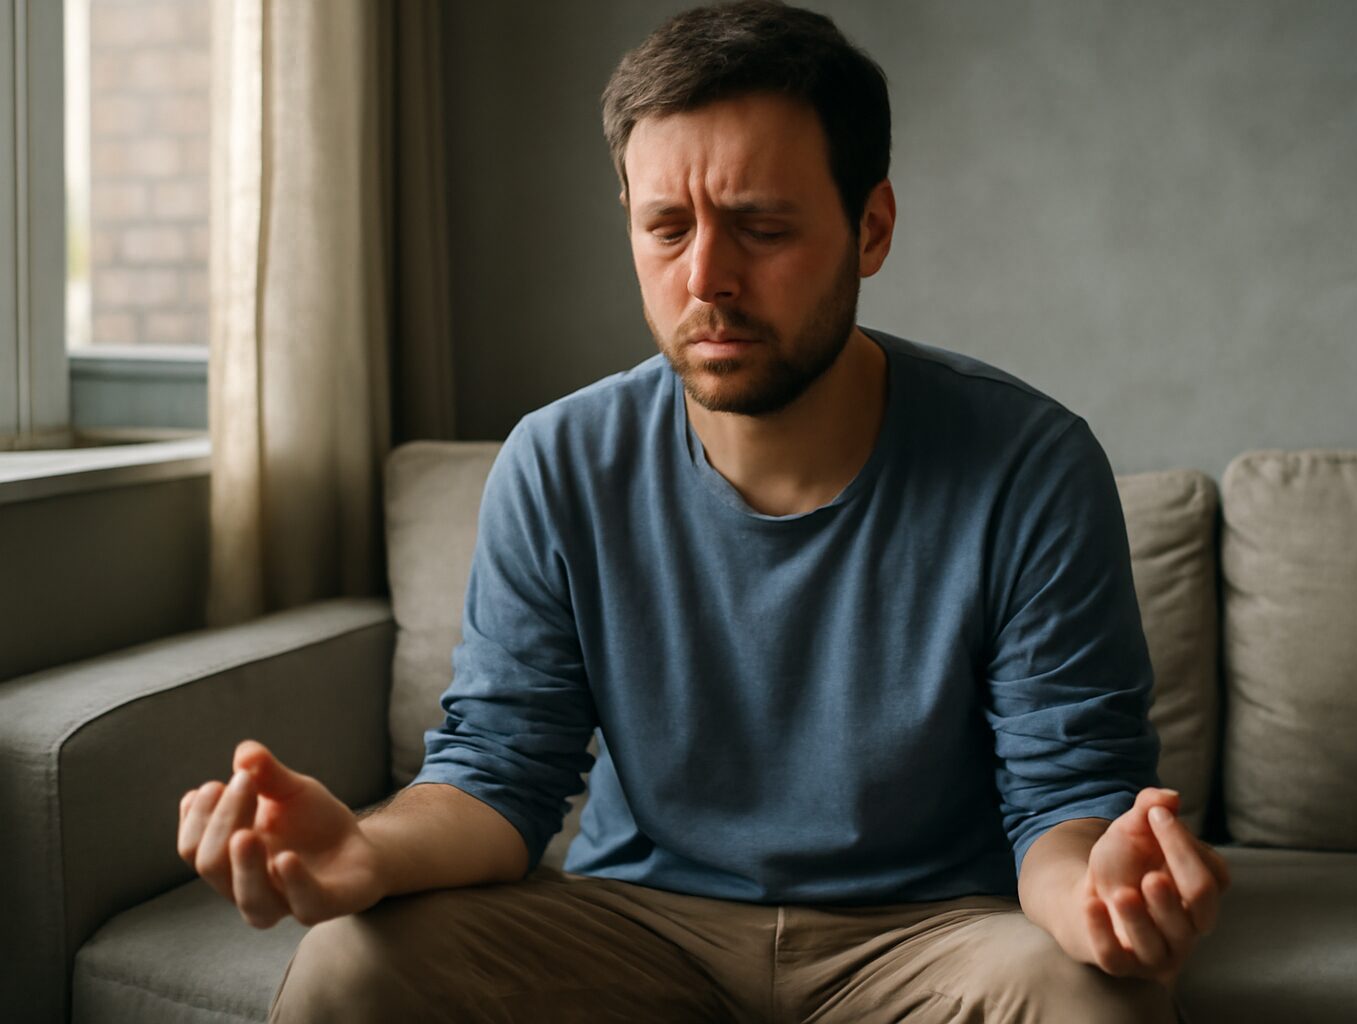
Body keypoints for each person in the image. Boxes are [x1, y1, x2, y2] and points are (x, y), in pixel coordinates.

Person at [177, 2, 1229, 1020]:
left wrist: (1095, 904)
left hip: (934, 932)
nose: (707, 277)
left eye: (761, 226)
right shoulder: (557, 461)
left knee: (1092, 1000)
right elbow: (501, 772)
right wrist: (363, 851)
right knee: (352, 964)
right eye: (666, 228)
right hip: (638, 924)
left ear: (871, 226)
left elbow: (1062, 800)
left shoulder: (1029, 464)